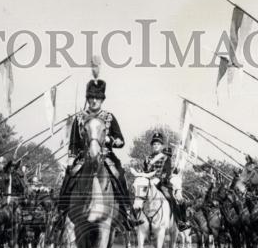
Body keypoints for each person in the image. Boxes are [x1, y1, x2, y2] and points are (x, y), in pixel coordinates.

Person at [58, 57, 141, 227]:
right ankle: (60, 212)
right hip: (83, 157)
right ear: (87, 98)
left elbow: (121, 140)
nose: (94, 100)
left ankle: (127, 211)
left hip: (106, 157)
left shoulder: (109, 117)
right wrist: (71, 157)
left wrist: (110, 140)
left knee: (119, 175)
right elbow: (73, 142)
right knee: (69, 176)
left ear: (102, 99)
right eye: (91, 97)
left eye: (97, 98)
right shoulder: (80, 118)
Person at [141, 132, 189, 229]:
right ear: (152, 146)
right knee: (138, 196)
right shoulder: (148, 158)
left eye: (158, 144)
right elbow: (145, 171)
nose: (156, 146)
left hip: (162, 184)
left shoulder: (166, 158)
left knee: (170, 198)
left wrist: (159, 179)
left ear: (161, 145)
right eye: (154, 144)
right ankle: (136, 219)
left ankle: (179, 221)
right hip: (149, 183)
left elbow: (167, 173)